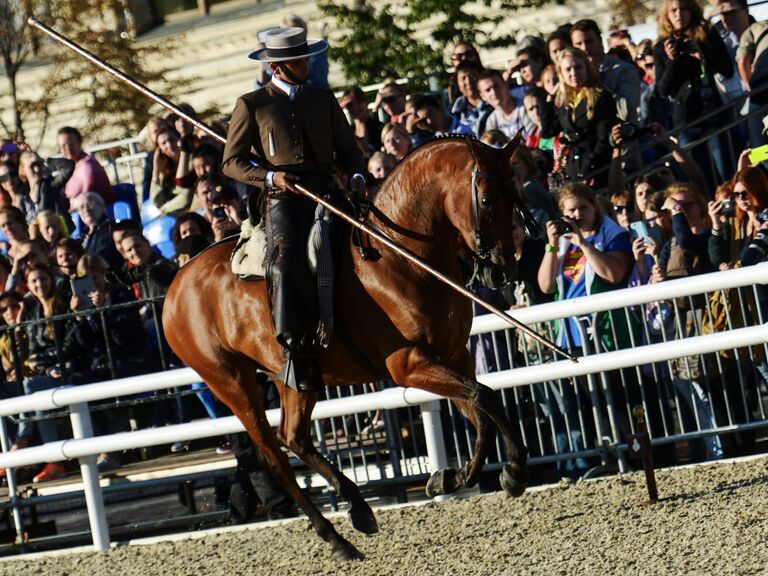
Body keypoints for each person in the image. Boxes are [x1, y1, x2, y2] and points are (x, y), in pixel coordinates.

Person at [222, 27, 367, 392]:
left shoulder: (323, 98)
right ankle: (294, 349)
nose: (305, 64)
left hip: (327, 186)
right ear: (277, 67)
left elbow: (348, 149)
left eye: (304, 58)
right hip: (283, 195)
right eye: (297, 61)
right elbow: (232, 163)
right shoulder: (252, 104)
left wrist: (357, 175)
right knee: (284, 262)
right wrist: (271, 177)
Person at [654, 0, 736, 185]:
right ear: (667, 14)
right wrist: (671, 62)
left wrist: (702, 55)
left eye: (683, 9)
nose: (678, 14)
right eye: (673, 10)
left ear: (692, 11)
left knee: (726, 175)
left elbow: (727, 69)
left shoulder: (706, 35)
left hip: (714, 114)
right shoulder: (662, 46)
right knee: (698, 177)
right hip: (686, 120)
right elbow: (662, 89)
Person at [540, 47, 619, 187]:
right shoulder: (565, 101)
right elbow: (548, 131)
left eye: (578, 67)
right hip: (572, 166)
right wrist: (549, 99)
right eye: (568, 69)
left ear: (586, 68)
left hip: (595, 167)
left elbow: (604, 138)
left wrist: (589, 167)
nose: (573, 73)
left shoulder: (601, 97)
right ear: (561, 74)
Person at [570, 19, 642, 122]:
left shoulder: (624, 70)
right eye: (578, 44)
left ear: (599, 41)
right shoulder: (572, 76)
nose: (584, 48)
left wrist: (597, 81)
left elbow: (626, 113)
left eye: (589, 41)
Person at [56, 127, 114, 207]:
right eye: (63, 146)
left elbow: (86, 201)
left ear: (79, 143)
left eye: (71, 144)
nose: (68, 149)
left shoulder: (88, 166)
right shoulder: (69, 168)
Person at [74, 192, 122, 271]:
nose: (86, 209)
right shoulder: (82, 236)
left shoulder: (111, 229)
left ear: (101, 206)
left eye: (90, 204)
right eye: (81, 207)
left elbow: (103, 256)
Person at [477, 69, 531, 139]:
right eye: (488, 90)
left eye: (496, 86)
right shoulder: (491, 121)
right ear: (482, 96)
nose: (493, 92)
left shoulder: (526, 106)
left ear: (505, 85)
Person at [340, 87, 383, 158]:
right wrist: (339, 108)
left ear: (366, 102)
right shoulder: (349, 131)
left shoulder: (379, 127)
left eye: (358, 102)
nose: (355, 107)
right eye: (349, 105)